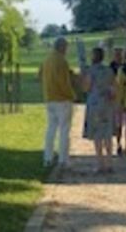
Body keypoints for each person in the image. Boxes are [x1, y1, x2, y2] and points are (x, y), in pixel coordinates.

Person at [40, 37, 75, 167]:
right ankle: (63, 159)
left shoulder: (47, 59)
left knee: (50, 129)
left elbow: (40, 76)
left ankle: (47, 158)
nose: (67, 50)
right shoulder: (62, 61)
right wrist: (72, 95)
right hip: (62, 99)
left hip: (49, 98)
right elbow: (64, 82)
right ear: (62, 47)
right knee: (64, 130)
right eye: (66, 47)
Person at [81, 46, 116, 174]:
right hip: (106, 102)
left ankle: (100, 163)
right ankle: (110, 162)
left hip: (94, 103)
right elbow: (113, 87)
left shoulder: (90, 71)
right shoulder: (109, 70)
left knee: (97, 134)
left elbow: (86, 87)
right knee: (107, 133)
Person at [109, 48, 126, 156]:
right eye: (116, 55)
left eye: (120, 55)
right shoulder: (111, 67)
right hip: (117, 99)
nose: (118, 57)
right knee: (119, 124)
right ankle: (119, 145)